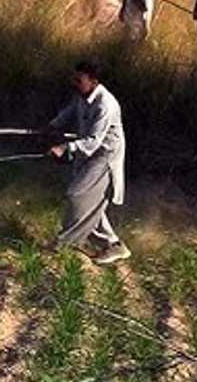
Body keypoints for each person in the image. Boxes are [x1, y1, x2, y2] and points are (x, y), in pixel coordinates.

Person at [48, 61, 129, 265]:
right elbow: (69, 112)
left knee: (77, 195)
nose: (74, 83)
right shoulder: (82, 96)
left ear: (93, 81)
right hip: (88, 153)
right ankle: (113, 245)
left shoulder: (105, 104)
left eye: (79, 80)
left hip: (104, 156)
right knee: (90, 202)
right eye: (73, 79)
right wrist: (52, 126)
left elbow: (93, 141)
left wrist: (65, 148)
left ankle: (64, 244)